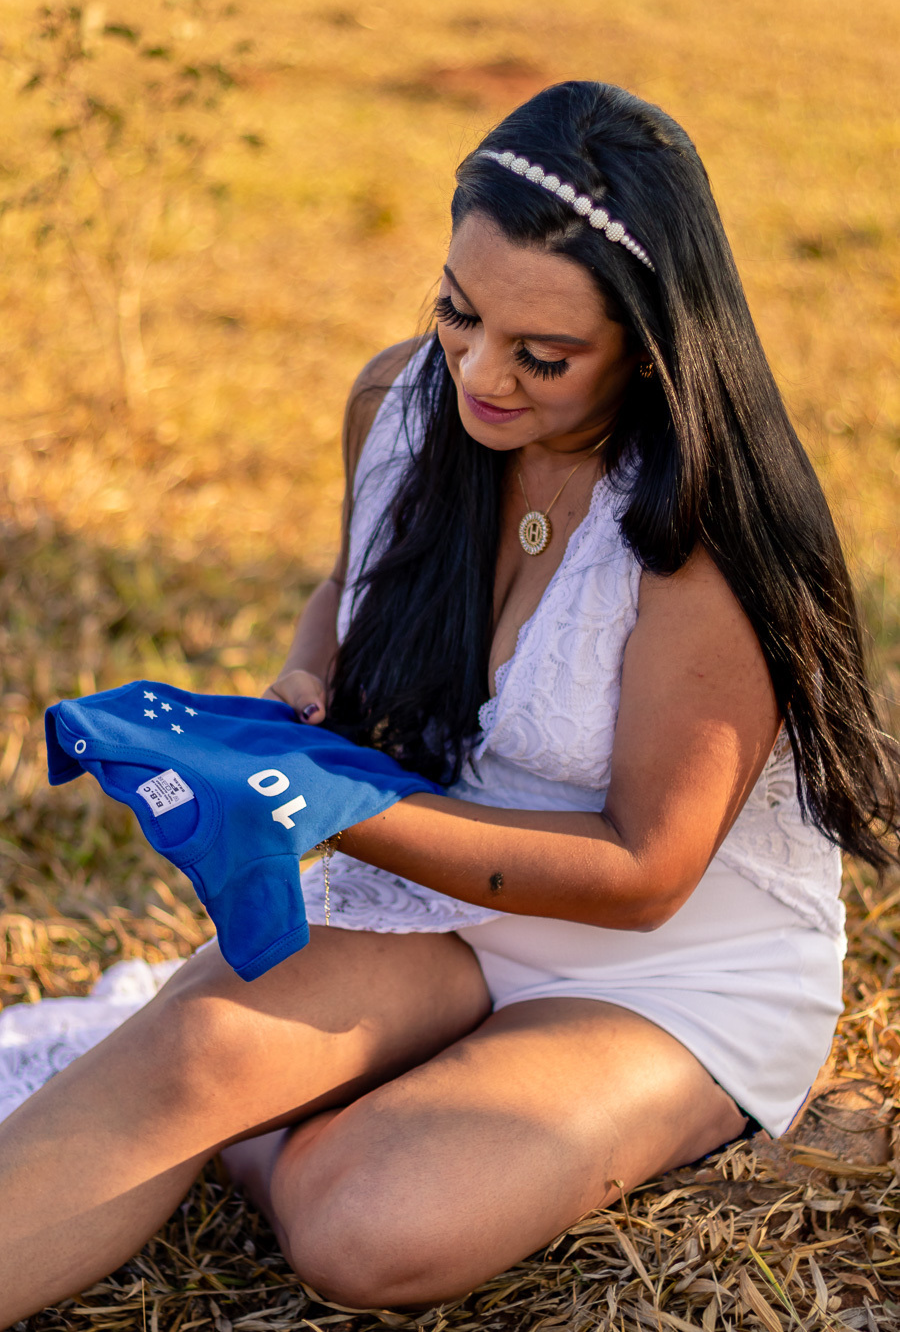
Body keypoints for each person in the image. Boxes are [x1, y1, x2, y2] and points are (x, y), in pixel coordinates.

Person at [1, 79, 897, 1325]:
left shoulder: (702, 540)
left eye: (543, 356)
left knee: (362, 1223)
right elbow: (347, 579)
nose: (479, 372)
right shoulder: (401, 403)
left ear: (654, 346)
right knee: (192, 1059)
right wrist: (307, 684)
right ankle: (255, 1085)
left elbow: (645, 874)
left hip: (667, 967)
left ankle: (312, 1106)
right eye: (458, 314)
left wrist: (335, 805)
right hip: (441, 900)